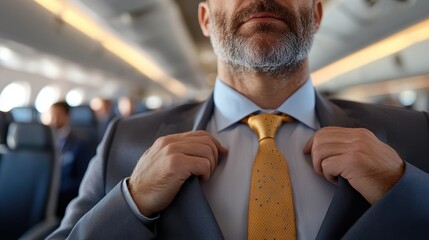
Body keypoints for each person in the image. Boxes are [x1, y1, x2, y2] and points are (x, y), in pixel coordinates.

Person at [48, 0, 429, 239]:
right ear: (206, 19)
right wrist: (132, 203)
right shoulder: (125, 141)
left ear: (315, 15)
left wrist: (406, 191)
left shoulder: (411, 134)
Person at [48, 101, 94, 217]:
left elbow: (84, 178)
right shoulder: (45, 142)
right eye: (52, 116)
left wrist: (57, 189)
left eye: (58, 115)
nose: (54, 120)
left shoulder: (80, 143)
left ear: (67, 117)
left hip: (66, 197)